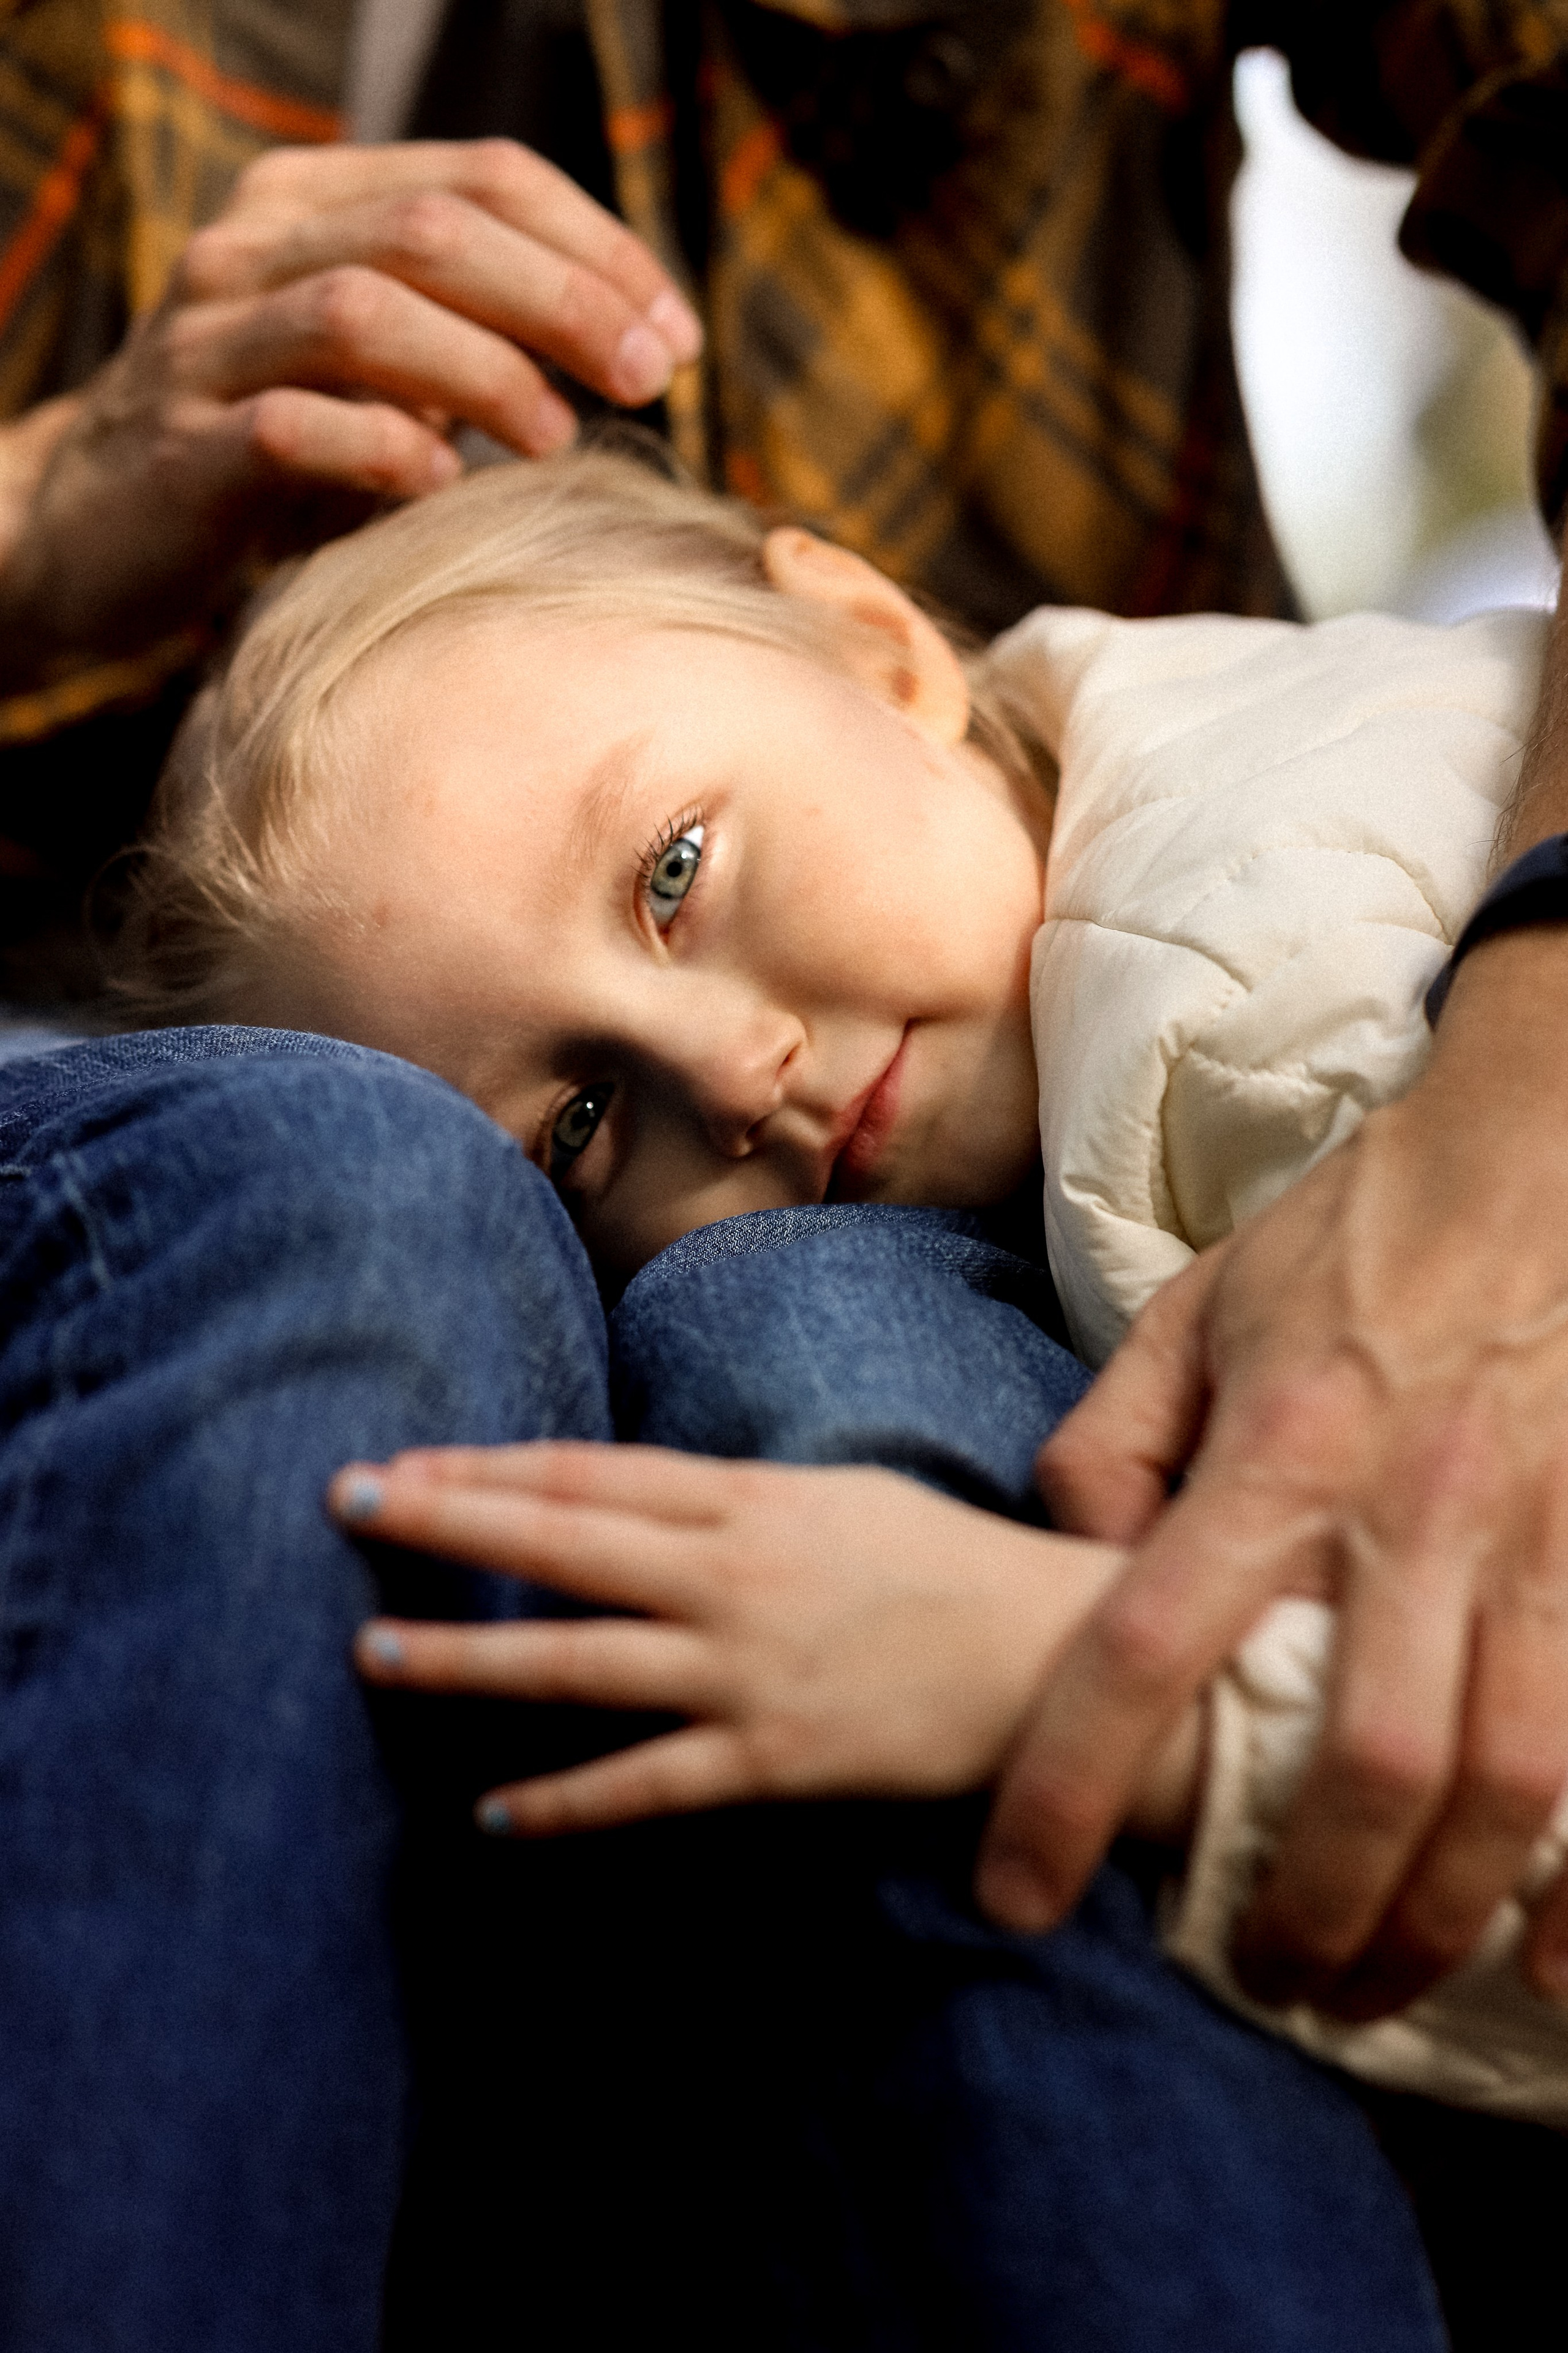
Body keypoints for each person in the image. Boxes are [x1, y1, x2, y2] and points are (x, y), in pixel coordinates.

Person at [113, 439, 1568, 2127]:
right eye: (580, 1123)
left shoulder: (1253, 1011)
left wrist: (1039, 1670)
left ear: (878, 644)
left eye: (674, 872)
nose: (729, 1075)